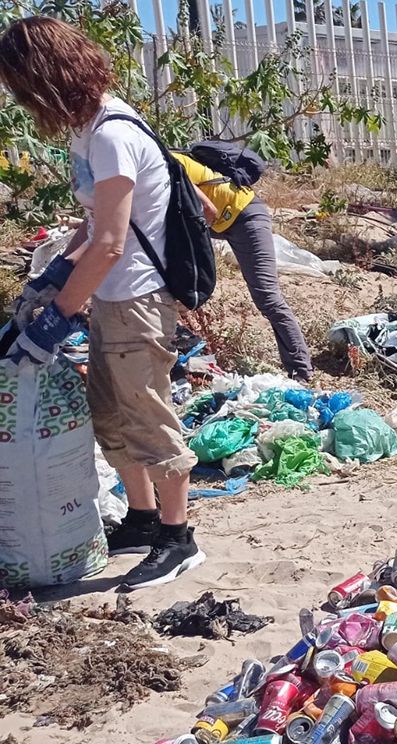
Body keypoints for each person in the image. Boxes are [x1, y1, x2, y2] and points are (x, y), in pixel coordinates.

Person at [0, 17, 204, 590]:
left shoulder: (114, 134)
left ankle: (177, 538)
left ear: (44, 77)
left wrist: (60, 313)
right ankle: (141, 520)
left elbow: (113, 243)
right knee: (110, 415)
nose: (19, 100)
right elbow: (93, 226)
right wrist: (54, 273)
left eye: (20, 86)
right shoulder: (84, 131)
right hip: (110, 298)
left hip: (137, 299)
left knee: (148, 414)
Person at [171, 151, 313, 380]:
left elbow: (208, 210)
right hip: (222, 222)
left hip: (245, 216)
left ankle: (301, 370)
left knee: (268, 297)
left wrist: (195, 254)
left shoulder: (166, 165)